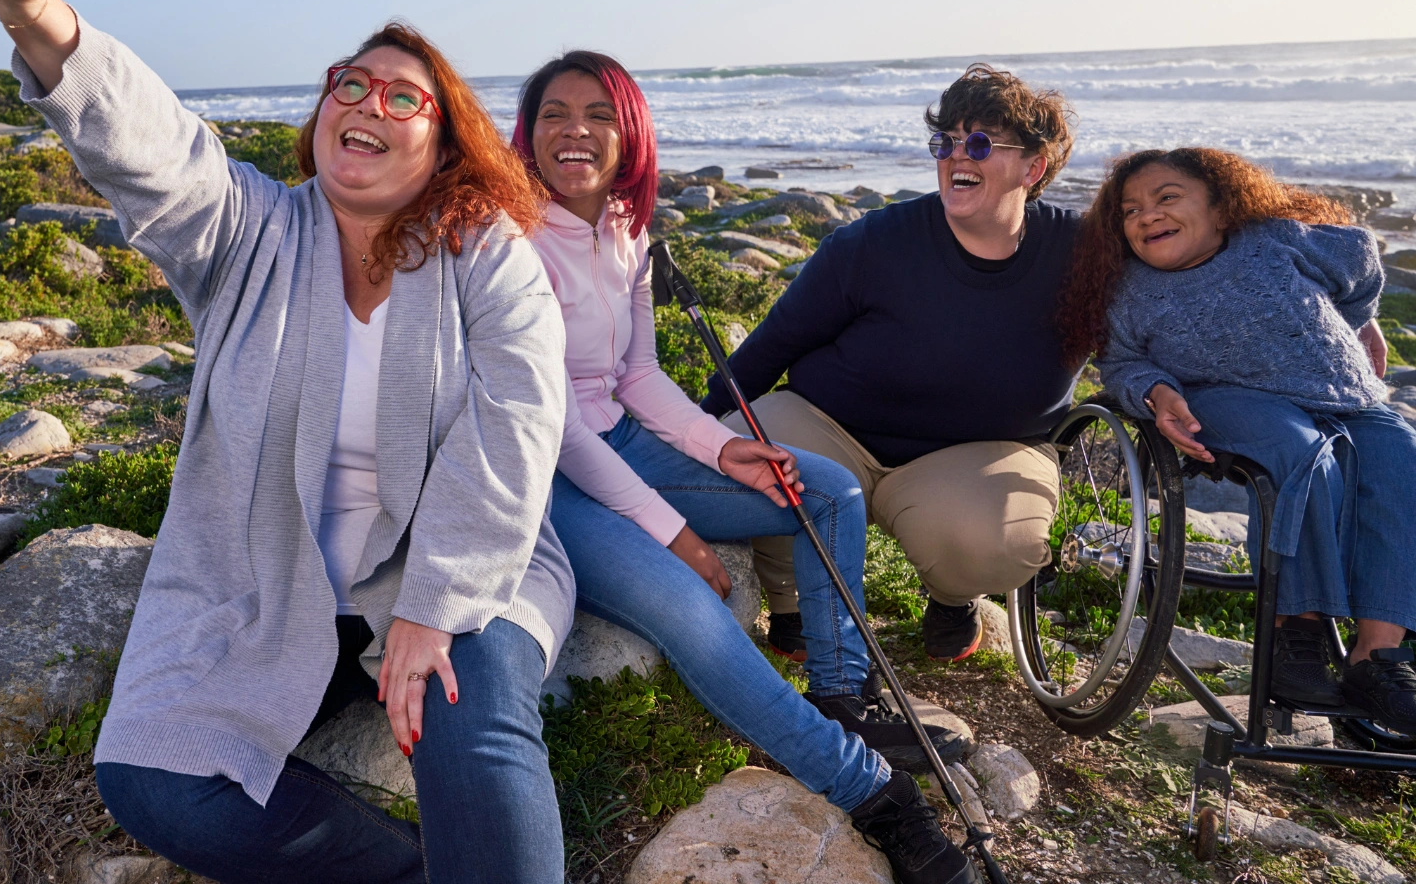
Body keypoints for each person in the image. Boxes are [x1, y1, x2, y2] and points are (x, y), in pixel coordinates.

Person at [0, 0, 575, 884]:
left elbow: (518, 414)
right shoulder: (250, 232)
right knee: (150, 774)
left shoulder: (483, 249)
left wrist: (434, 608)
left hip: (447, 571)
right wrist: (32, 12)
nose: (366, 105)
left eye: (402, 98)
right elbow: (153, 145)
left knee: (474, 720)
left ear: (444, 144)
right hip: (266, 581)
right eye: (351, 84)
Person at [516, 50, 977, 884]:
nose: (574, 130)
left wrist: (723, 447)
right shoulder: (508, 237)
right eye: (553, 112)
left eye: (598, 114)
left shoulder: (626, 228)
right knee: (697, 614)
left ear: (630, 137)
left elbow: (635, 378)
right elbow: (551, 426)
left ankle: (840, 696)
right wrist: (674, 532)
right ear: (528, 129)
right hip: (542, 478)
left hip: (617, 439)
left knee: (825, 489)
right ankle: (875, 795)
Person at [705, 65, 1080, 662]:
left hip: (979, 456)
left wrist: (1161, 390)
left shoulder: (1081, 254)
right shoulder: (872, 244)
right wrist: (693, 433)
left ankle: (953, 597)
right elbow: (773, 346)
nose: (957, 155)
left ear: (1033, 168)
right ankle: (793, 601)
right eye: (945, 142)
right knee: (747, 449)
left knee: (996, 540)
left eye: (979, 142)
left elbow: (1150, 324)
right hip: (832, 431)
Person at [1057, 147, 1415, 733]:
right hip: (1228, 400)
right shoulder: (1132, 289)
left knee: (1402, 457)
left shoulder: (1277, 239)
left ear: (1222, 209)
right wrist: (1156, 393)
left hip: (1344, 391)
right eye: (1130, 210)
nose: (1147, 215)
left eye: (1166, 198)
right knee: (1301, 455)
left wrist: (1360, 319)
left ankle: (1377, 658)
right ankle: (1292, 634)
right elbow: (1121, 364)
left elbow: (1360, 263)